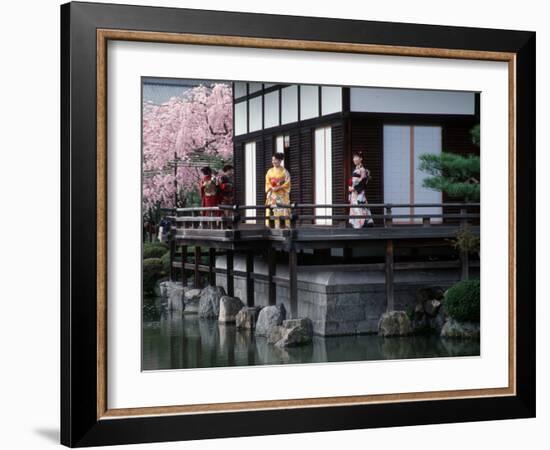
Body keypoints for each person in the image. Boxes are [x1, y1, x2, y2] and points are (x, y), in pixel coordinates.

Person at [348, 151, 374, 229]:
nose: (354, 159)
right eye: (354, 157)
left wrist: (354, 188)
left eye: (356, 157)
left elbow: (363, 182)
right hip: (354, 193)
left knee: (359, 208)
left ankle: (361, 225)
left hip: (358, 193)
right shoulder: (356, 169)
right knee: (356, 209)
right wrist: (350, 186)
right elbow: (353, 180)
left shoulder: (362, 169)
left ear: (361, 159)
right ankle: (358, 225)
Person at [265, 152, 291, 228]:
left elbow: (287, 182)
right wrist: (271, 187)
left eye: (275, 160)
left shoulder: (284, 171)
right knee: (272, 209)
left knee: (283, 209)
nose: (273, 161)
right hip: (272, 194)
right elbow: (267, 181)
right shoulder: (269, 171)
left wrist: (279, 187)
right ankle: (271, 226)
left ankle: (284, 226)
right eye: (272, 160)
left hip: (281, 194)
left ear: (280, 161)